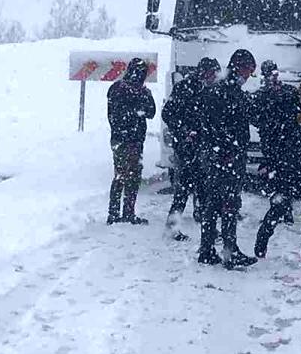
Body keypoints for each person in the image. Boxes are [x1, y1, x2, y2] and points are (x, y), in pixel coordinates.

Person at [255, 74, 301, 267]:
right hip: (287, 165)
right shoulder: (287, 102)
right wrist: (297, 123)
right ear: (300, 91)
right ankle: (262, 239)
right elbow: (277, 132)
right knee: (280, 206)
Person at [197, 49, 259, 269]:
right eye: (249, 70)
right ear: (240, 67)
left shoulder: (220, 90)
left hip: (217, 155)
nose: (249, 76)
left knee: (213, 203)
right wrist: (229, 149)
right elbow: (221, 125)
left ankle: (207, 249)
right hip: (227, 157)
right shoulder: (231, 93)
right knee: (229, 204)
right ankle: (229, 251)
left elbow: (209, 123)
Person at [162, 57, 219, 240]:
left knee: (204, 189)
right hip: (186, 148)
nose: (214, 77)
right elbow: (168, 113)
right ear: (203, 72)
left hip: (203, 147)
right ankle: (172, 228)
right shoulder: (184, 88)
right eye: (212, 73)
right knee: (183, 190)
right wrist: (184, 131)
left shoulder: (211, 90)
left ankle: (206, 225)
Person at [106, 58, 156, 225]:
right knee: (127, 176)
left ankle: (119, 213)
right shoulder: (131, 91)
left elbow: (150, 112)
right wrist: (137, 111)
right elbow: (149, 112)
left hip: (125, 139)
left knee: (125, 176)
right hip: (129, 139)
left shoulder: (118, 89)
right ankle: (122, 213)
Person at [250, 60, 298, 221]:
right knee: (275, 178)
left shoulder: (287, 92)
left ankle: (284, 210)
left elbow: (295, 114)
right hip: (272, 142)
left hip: (283, 141)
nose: (271, 78)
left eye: (272, 74)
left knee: (283, 177)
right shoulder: (263, 95)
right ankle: (280, 210)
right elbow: (254, 116)